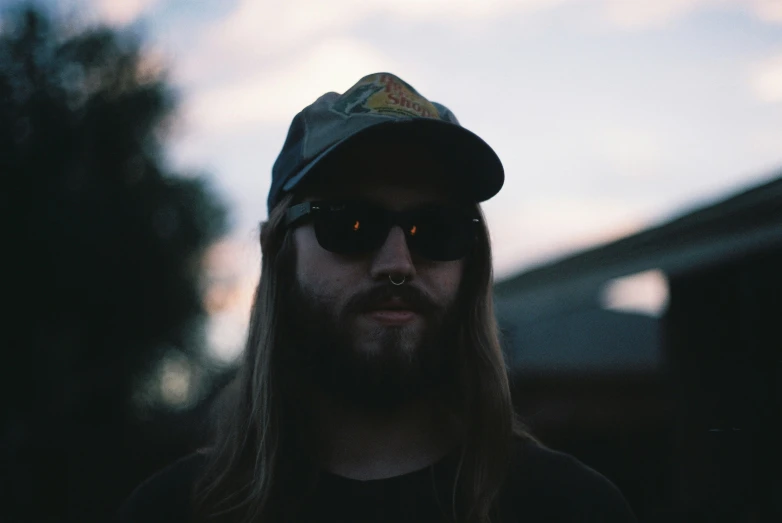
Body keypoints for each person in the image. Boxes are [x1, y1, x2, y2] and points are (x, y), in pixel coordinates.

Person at [117, 72, 638, 523]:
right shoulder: (174, 512)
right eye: (349, 224)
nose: (397, 263)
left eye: (435, 229)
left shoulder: (572, 508)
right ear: (280, 256)